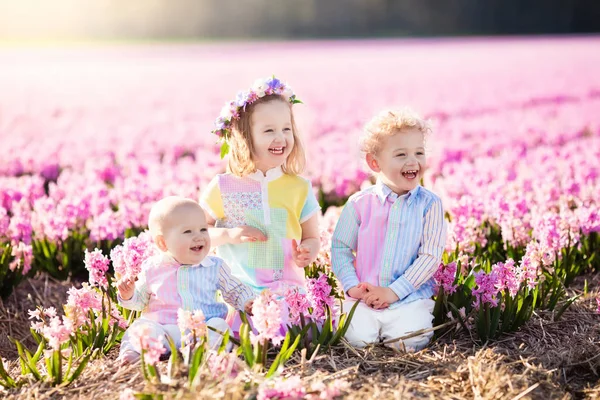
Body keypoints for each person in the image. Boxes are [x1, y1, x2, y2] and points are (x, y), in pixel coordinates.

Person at [200, 76, 321, 328]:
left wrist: (308, 251)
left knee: (297, 327)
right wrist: (231, 233)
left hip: (288, 291)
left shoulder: (299, 187)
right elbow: (201, 235)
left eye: (286, 129)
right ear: (245, 137)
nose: (281, 138)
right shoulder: (223, 187)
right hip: (240, 293)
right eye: (269, 130)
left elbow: (311, 236)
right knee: (232, 327)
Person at [331, 108, 447, 352]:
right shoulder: (358, 204)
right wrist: (353, 286)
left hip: (408, 298)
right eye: (401, 154)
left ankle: (394, 328)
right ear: (375, 163)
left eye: (419, 152)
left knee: (409, 341)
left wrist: (394, 292)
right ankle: (370, 326)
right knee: (356, 340)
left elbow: (430, 257)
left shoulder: (431, 204)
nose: (413, 161)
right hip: (365, 296)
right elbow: (340, 248)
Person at [117, 196, 255, 364]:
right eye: (188, 231)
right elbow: (139, 302)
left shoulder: (214, 266)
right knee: (141, 328)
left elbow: (235, 289)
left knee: (219, 326)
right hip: (165, 329)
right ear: (163, 243)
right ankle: (134, 352)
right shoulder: (153, 268)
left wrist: (247, 301)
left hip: (202, 329)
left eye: (203, 229)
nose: (199, 237)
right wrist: (128, 295)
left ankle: (208, 354)